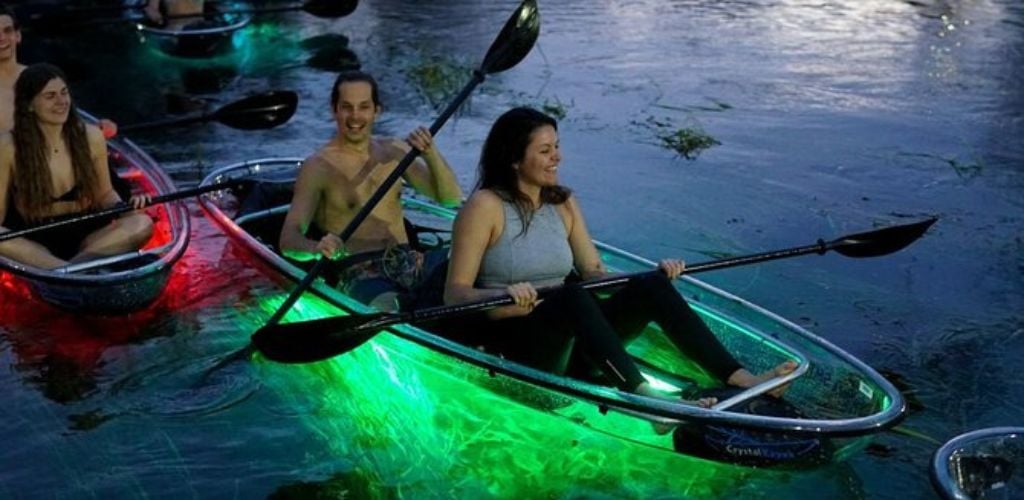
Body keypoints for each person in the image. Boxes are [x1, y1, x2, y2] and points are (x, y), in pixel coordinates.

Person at [443, 107, 796, 408]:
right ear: (515, 159)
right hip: (520, 346)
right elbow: (454, 294)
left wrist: (648, 276)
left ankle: (742, 378)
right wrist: (504, 294)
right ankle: (644, 398)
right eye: (545, 151)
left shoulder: (562, 203)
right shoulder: (485, 207)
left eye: (557, 147)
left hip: (577, 341)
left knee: (649, 285)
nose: (558, 158)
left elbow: (595, 272)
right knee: (569, 296)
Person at [278, 70, 463, 310]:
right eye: (347, 107)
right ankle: (414, 316)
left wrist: (431, 154)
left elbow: (450, 198)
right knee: (391, 310)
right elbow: (288, 239)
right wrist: (316, 248)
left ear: (377, 110)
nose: (355, 116)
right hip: (360, 272)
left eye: (364, 107)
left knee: (473, 266)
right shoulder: (317, 167)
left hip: (410, 260)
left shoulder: (394, 150)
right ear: (334, 110)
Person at [0, 63, 152, 269]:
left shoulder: (91, 137)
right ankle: (70, 270)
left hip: (89, 237)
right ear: (29, 105)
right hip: (34, 241)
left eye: (64, 93)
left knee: (142, 224)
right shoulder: (8, 147)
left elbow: (105, 194)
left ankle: (67, 270)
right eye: (50, 96)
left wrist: (127, 209)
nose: (62, 102)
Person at [0, 5, 117, 137]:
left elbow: (65, 127)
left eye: (7, 31)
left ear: (18, 35)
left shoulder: (41, 79)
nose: (2, 38)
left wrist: (97, 128)